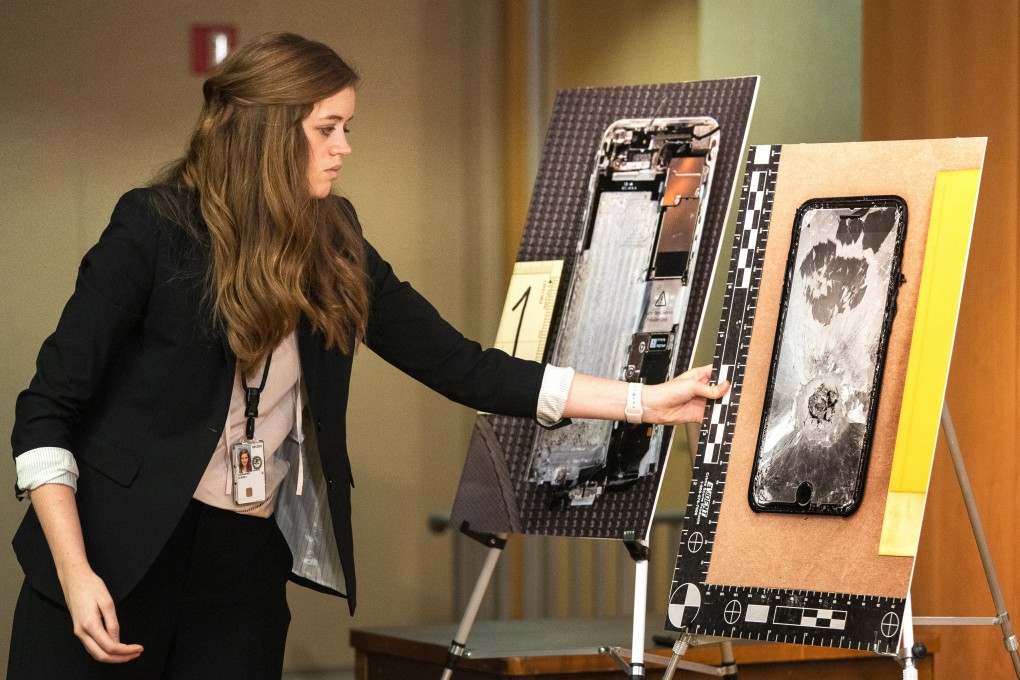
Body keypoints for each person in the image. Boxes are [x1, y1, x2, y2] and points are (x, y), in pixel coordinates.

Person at [8, 32, 729, 679]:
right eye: (327, 128)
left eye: (346, 127)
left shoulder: (337, 237)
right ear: (265, 134)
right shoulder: (153, 227)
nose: (344, 146)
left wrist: (644, 401)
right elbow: (46, 413)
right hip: (111, 559)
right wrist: (76, 574)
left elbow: (462, 364)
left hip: (243, 564)